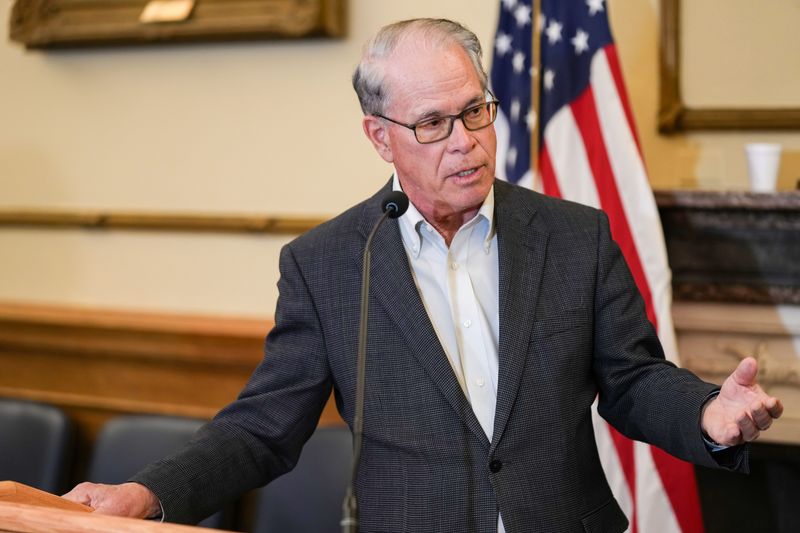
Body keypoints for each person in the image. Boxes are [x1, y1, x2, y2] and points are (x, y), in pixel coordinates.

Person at [65, 18, 783, 532]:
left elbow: (631, 379)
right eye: (433, 124)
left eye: (475, 111)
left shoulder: (574, 236)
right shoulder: (329, 263)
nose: (466, 143)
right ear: (381, 136)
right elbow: (262, 429)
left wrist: (705, 414)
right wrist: (147, 491)